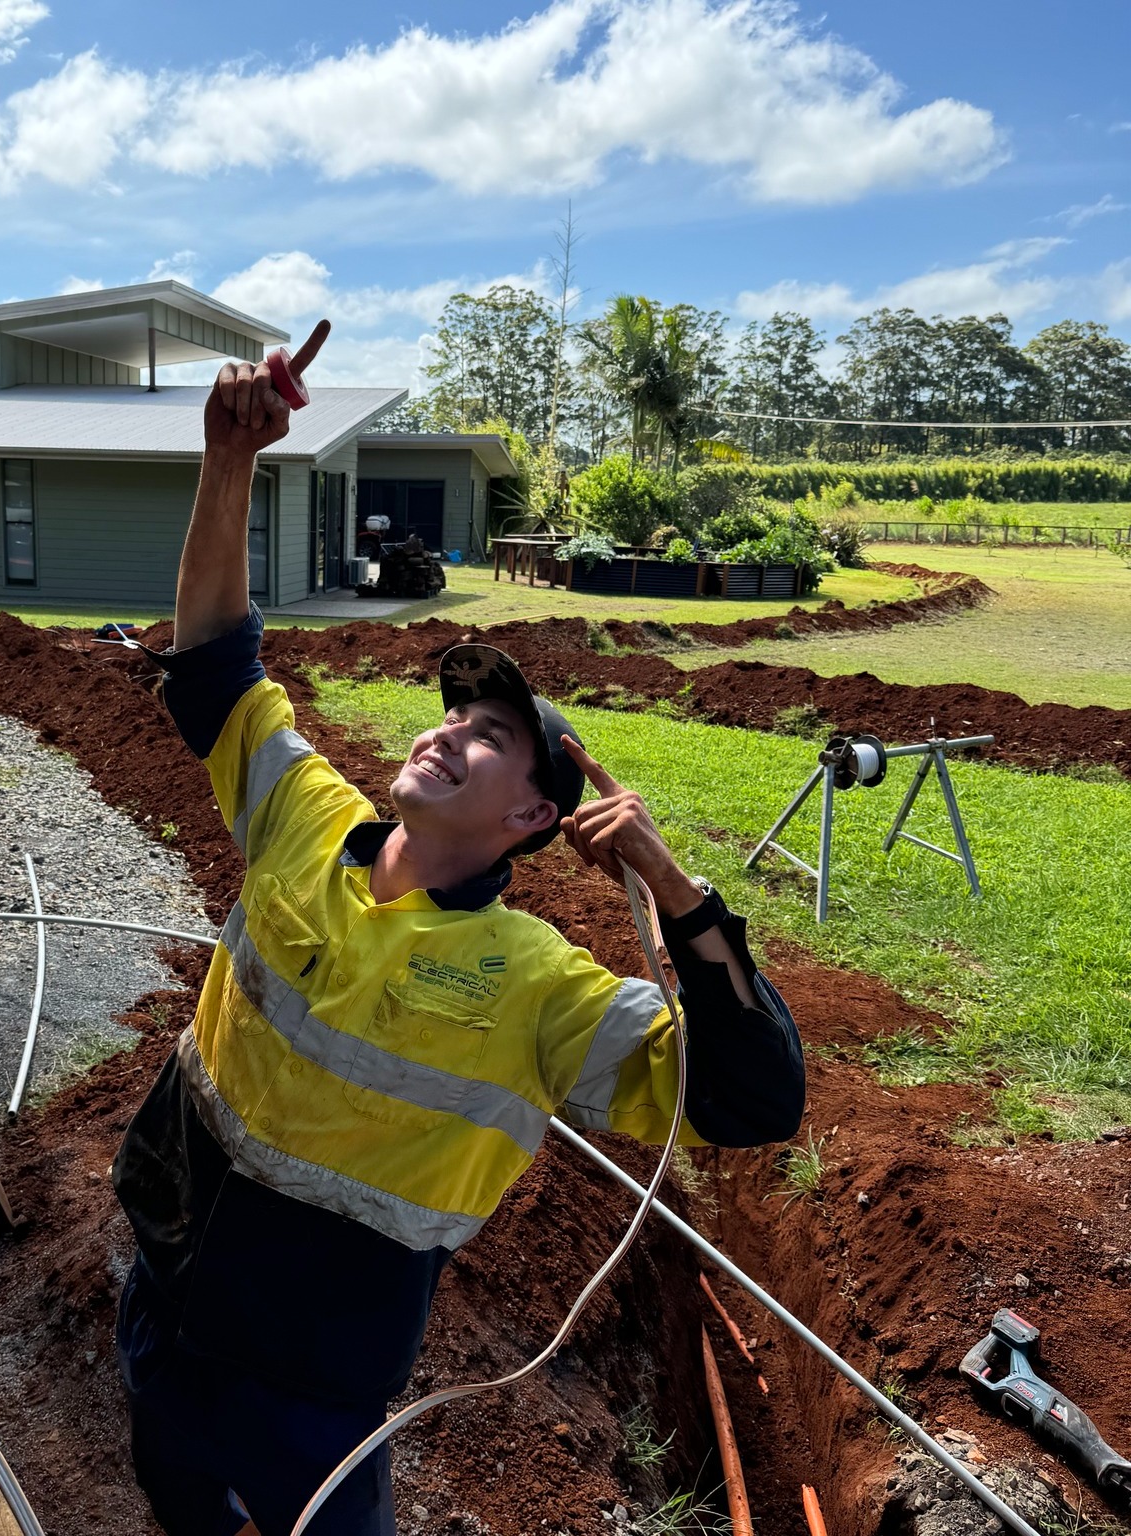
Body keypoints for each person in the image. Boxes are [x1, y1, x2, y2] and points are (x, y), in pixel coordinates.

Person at [112, 321, 804, 1536]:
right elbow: (218, 663)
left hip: (315, 1391)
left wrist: (667, 879)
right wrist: (228, 460)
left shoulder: (541, 989)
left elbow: (753, 1103)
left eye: (489, 738)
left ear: (537, 813)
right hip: (164, 1287)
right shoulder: (302, 819)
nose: (445, 734)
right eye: (452, 715)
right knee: (173, 1503)